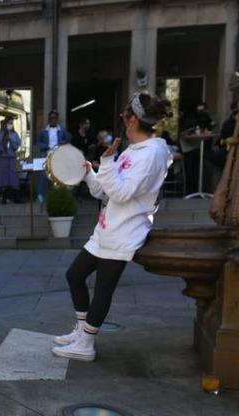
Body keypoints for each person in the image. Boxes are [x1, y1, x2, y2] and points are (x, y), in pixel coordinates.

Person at [52, 92, 173, 362]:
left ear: (133, 119)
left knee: (103, 289)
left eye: (124, 113)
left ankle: (86, 344)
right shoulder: (134, 150)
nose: (121, 117)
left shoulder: (153, 154)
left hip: (125, 232)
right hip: (107, 229)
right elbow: (106, 193)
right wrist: (88, 173)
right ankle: (82, 331)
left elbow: (121, 192)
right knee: (74, 275)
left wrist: (106, 163)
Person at [0, 118, 21, 202]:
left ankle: (16, 197)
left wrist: (11, 140)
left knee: (13, 176)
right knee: (3, 177)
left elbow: (17, 145)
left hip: (12, 158)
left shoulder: (15, 134)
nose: (10, 125)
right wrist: (2, 146)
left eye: (11, 123)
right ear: (5, 124)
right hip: (2, 158)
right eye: (9, 123)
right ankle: (4, 197)